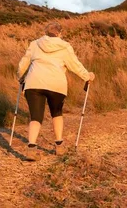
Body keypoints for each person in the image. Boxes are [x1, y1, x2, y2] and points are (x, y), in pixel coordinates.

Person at [16, 21, 95, 161]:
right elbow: (75, 65)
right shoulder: (65, 47)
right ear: (59, 33)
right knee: (57, 113)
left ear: (45, 32)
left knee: (35, 117)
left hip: (34, 83)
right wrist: (87, 76)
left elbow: (23, 63)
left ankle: (31, 148)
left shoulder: (35, 44)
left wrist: (20, 78)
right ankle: (59, 146)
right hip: (56, 84)